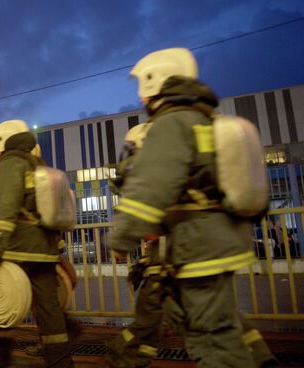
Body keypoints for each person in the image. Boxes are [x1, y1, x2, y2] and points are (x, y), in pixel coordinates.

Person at [108, 47, 264, 367]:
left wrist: (119, 239)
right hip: (211, 243)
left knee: (213, 340)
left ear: (157, 80)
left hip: (198, 247)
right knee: (210, 328)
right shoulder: (202, 119)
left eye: (143, 87)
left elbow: (151, 187)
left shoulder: (173, 123)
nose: (141, 98)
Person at [0, 119, 74, 368]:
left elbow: (3, 210)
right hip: (45, 253)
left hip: (17, 250)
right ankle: (62, 363)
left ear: (2, 142)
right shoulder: (39, 166)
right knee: (49, 312)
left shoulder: (10, 163)